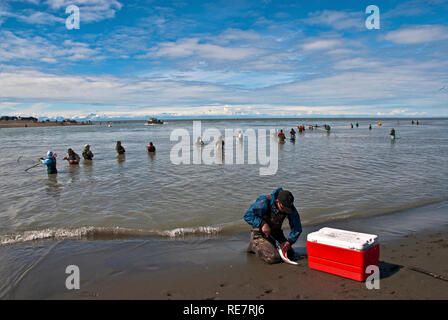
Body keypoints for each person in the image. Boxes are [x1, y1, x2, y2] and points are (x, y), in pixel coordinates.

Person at [244, 188, 302, 264]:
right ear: (277, 201)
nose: (285, 211)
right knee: (273, 257)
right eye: (283, 208)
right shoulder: (264, 201)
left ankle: (272, 244)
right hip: (260, 234)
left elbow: (296, 227)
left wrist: (289, 242)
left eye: (287, 209)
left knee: (291, 254)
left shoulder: (289, 206)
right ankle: (254, 245)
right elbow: (248, 216)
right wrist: (262, 223)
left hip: (276, 233)